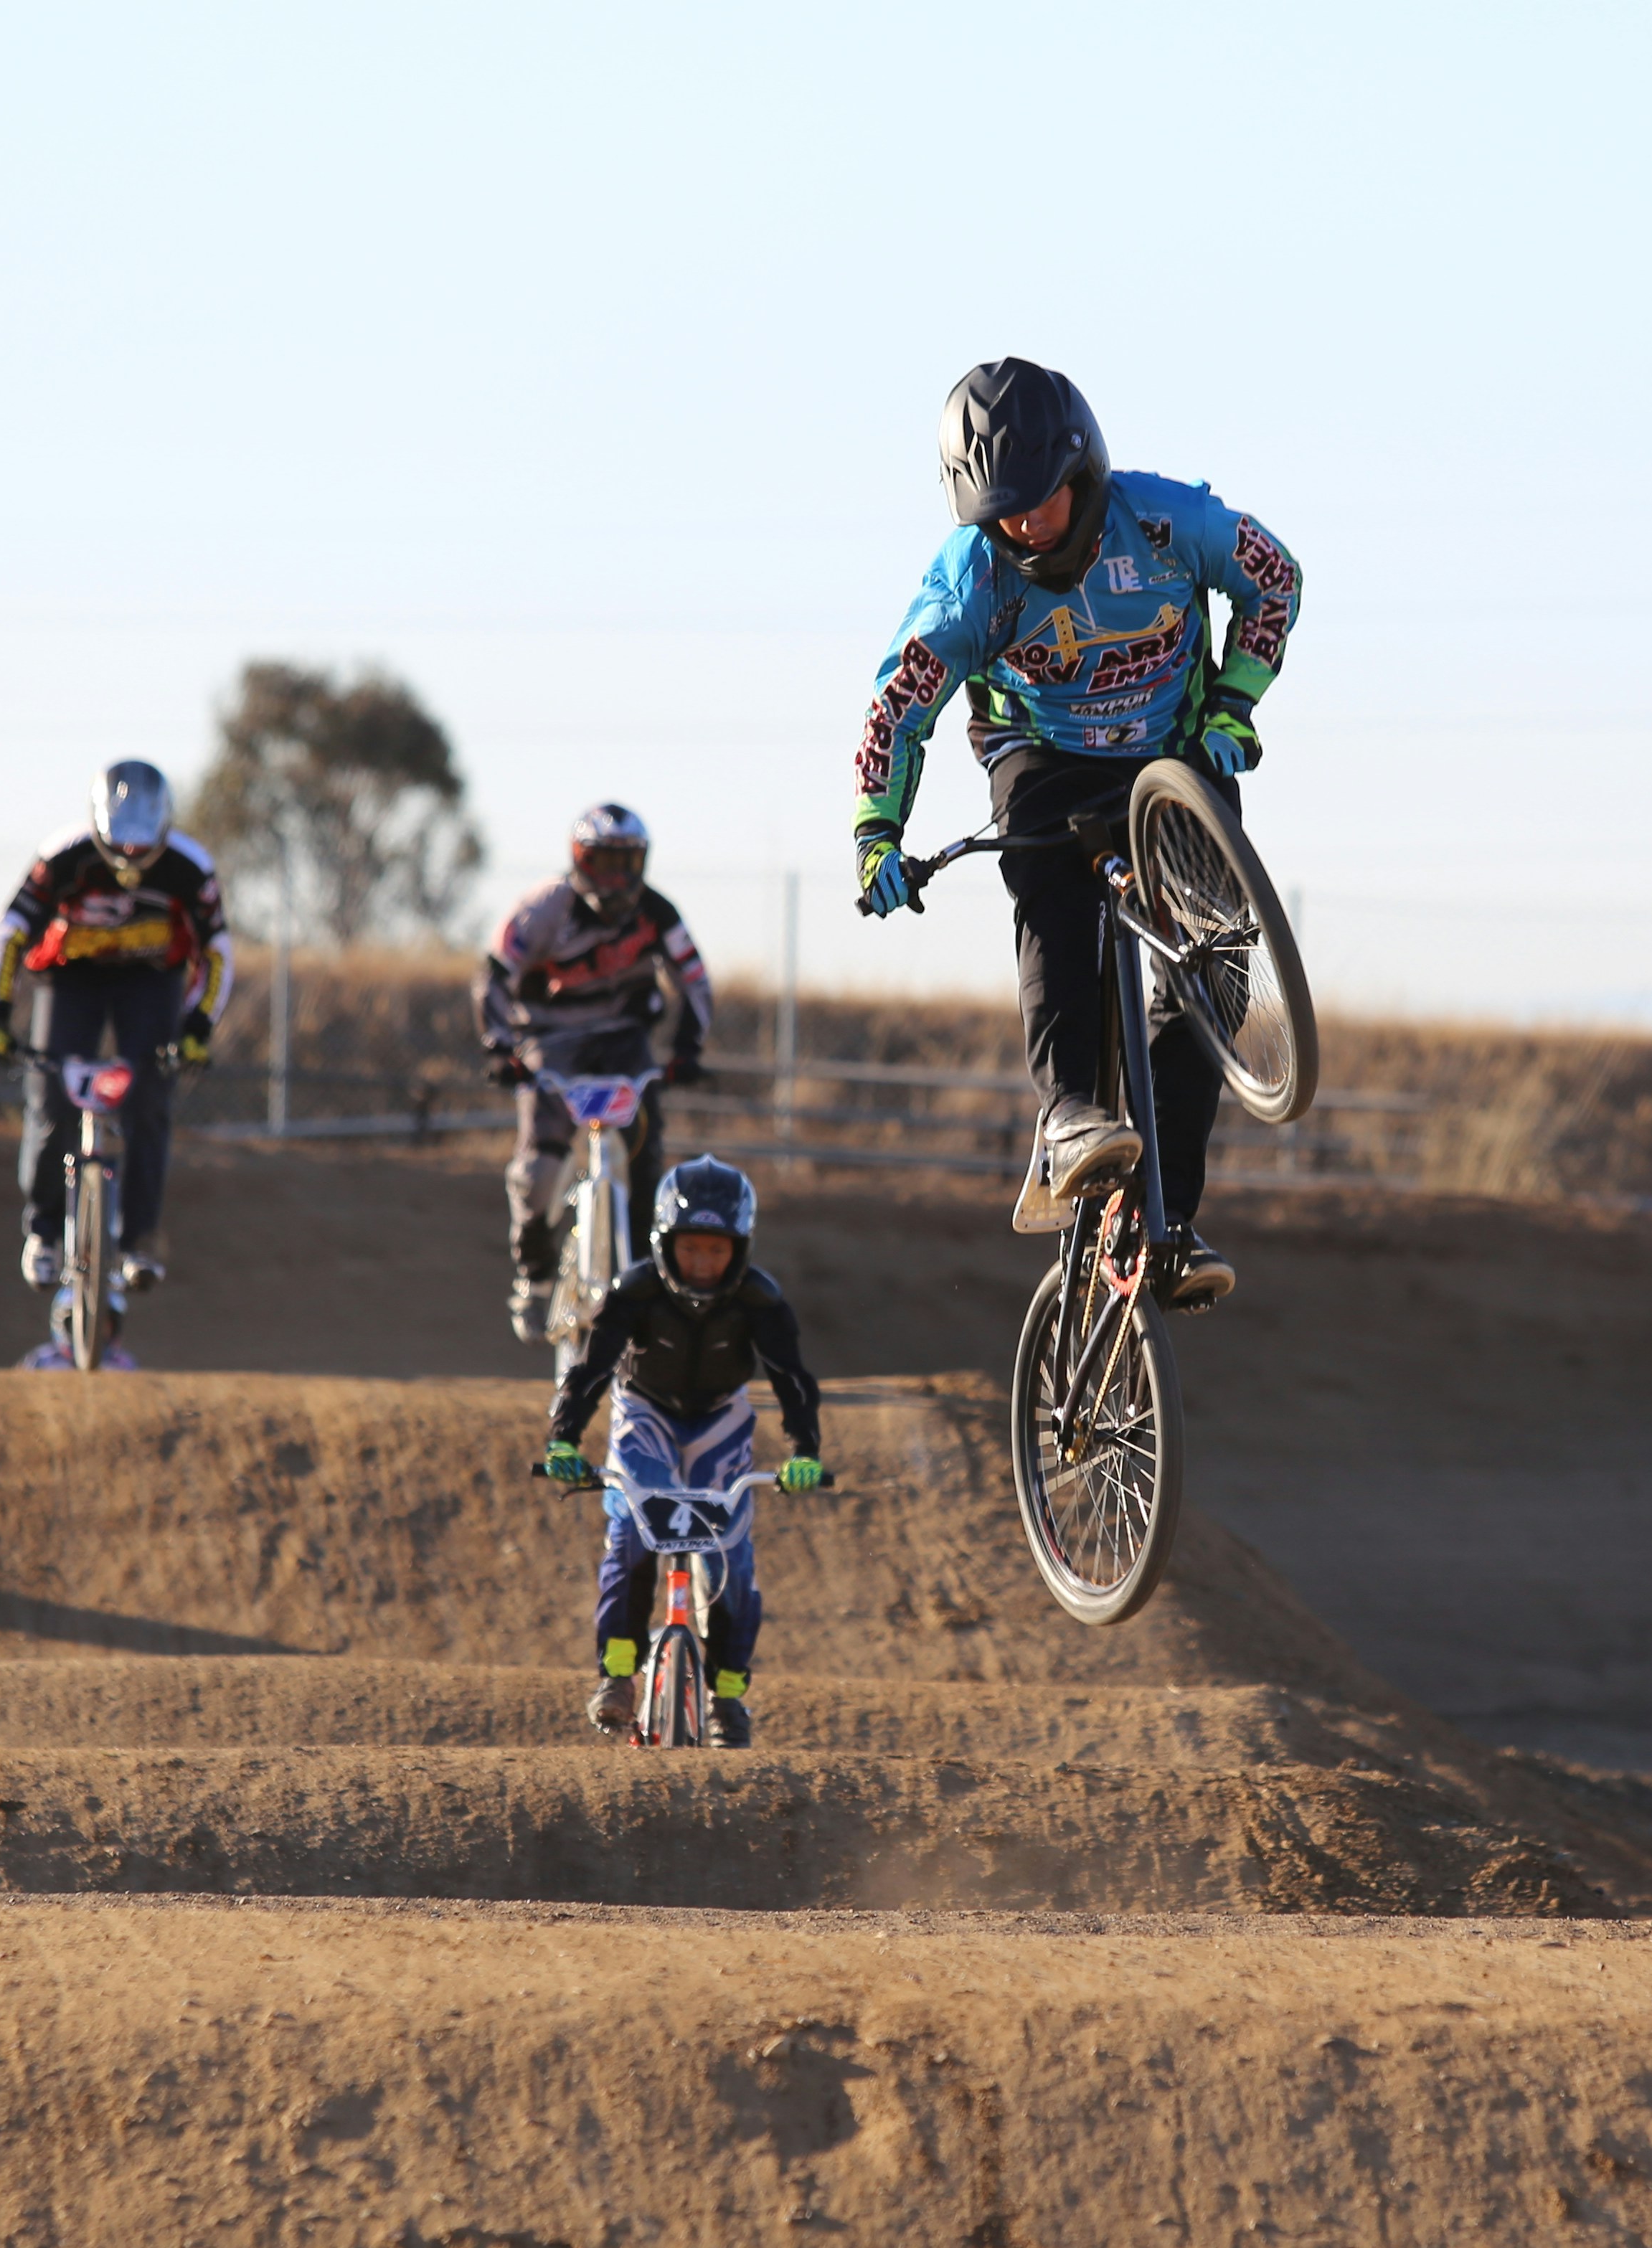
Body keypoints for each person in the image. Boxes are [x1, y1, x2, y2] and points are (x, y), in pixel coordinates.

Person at [845, 356, 1303, 1312]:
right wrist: (878, 834)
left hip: (1175, 758)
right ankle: (1067, 1117)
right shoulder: (968, 583)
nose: (1024, 525)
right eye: (1000, 511)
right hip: (1042, 757)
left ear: (1085, 470)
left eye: (1041, 500)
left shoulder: (1172, 523)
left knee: (1210, 971)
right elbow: (900, 706)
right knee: (1055, 909)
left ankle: (1163, 1223)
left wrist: (1234, 708)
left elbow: (1275, 581)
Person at [536, 1157, 826, 1746]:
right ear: (664, 1243)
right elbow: (590, 1371)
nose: (702, 1265)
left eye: (717, 1252)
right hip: (644, 1412)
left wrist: (805, 1452)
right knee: (633, 1535)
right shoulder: (635, 1291)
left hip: (721, 1419)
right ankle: (617, 1676)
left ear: (740, 1249)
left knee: (731, 1559)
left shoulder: (759, 1300)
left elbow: (793, 1379)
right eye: (690, 1249)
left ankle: (727, 1697)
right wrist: (564, 1438)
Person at [0, 759, 230, 1293]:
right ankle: (44, 1232)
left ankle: (139, 1240)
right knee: (50, 1096)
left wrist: (198, 1028)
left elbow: (217, 953)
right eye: (121, 847)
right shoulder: (62, 856)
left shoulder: (190, 866)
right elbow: (10, 931)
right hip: (72, 980)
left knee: (149, 1100)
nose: (132, 859)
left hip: (151, 981)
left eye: (144, 847)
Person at [479, 801, 716, 1340]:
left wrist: (686, 1050)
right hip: (551, 1046)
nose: (614, 879)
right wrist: (500, 1049)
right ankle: (535, 1279)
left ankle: (647, 1291)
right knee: (537, 1176)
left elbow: (695, 980)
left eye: (626, 864)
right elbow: (493, 976)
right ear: (578, 860)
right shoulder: (542, 910)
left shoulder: (658, 912)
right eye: (602, 862)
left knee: (646, 1168)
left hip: (626, 1046)